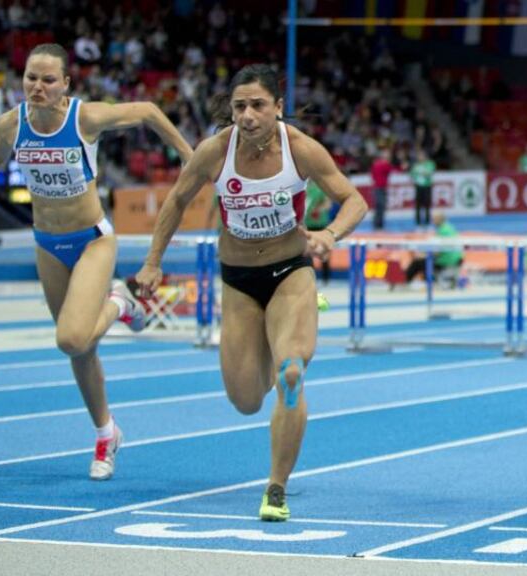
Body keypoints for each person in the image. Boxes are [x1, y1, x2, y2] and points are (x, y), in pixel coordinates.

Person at [0, 43, 194, 481]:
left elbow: (151, 111)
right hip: (47, 244)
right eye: (30, 78)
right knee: (81, 350)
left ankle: (122, 302)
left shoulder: (85, 118)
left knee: (71, 337)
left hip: (93, 240)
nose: (37, 87)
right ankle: (105, 433)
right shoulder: (11, 124)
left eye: (47, 80)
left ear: (65, 86)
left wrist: (192, 161)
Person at [135, 64, 367, 522]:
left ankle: (275, 488)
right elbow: (177, 201)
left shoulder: (299, 148)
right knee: (244, 401)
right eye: (239, 105)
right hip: (238, 280)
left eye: (258, 104)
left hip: (290, 272)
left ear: (277, 107)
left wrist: (331, 235)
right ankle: (270, 348)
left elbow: (354, 200)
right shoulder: (215, 151)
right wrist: (152, 261)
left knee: (291, 374)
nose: (248, 114)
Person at [403, 211, 463, 286]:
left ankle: (404, 281)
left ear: (440, 219)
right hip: (455, 260)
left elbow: (437, 251)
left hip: (447, 261)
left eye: (434, 219)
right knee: (422, 261)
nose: (433, 221)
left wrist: (424, 255)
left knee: (418, 262)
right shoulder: (449, 227)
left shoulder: (443, 231)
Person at [304, 179, 333, 284]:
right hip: (306, 225)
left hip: (320, 224)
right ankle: (308, 278)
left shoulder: (319, 188)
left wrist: (318, 209)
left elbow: (328, 204)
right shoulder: (300, 189)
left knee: (323, 251)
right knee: (306, 253)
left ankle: (326, 278)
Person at [409, 148, 435, 228]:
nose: (419, 157)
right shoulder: (416, 165)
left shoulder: (430, 164)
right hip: (418, 186)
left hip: (427, 186)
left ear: (424, 156)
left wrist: (420, 172)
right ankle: (418, 221)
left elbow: (428, 173)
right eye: (418, 156)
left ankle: (427, 221)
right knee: (418, 204)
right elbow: (412, 175)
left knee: (427, 204)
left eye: (421, 156)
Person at [369, 148, 393, 230]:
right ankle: (378, 225)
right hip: (380, 188)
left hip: (377, 187)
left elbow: (372, 175)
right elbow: (390, 170)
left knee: (378, 207)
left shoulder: (376, 164)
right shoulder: (384, 164)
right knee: (381, 206)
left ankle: (377, 224)